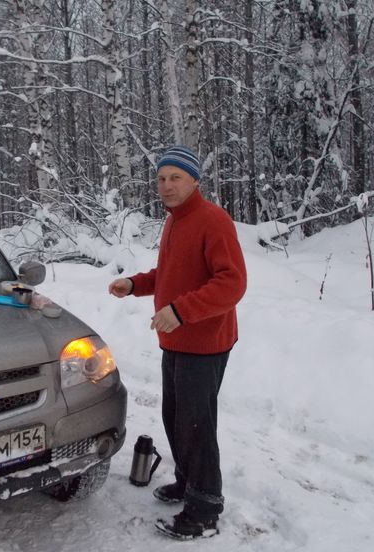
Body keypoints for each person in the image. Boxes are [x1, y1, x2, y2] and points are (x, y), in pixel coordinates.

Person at [108, 144, 247, 540]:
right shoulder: (174, 221)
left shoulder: (213, 220)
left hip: (205, 341)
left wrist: (182, 311)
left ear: (195, 181)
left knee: (196, 424)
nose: (166, 186)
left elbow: (232, 283)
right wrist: (136, 284)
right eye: (161, 178)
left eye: (176, 178)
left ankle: (205, 509)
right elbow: (170, 272)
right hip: (176, 338)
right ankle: (187, 481)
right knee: (175, 417)